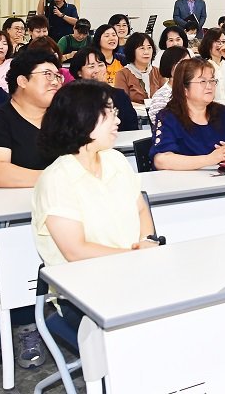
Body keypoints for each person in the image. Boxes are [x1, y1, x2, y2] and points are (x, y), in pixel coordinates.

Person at [32, 80, 160, 335]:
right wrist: (134, 257)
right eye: (108, 113)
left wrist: (147, 241)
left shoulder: (115, 160)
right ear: (82, 119)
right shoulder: (57, 178)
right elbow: (76, 251)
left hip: (131, 274)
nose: (117, 121)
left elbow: (141, 209)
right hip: (82, 291)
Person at [0, 49, 63, 369]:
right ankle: (26, 324)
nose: (56, 80)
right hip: (10, 221)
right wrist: (57, 178)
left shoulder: (62, 120)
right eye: (47, 75)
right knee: (22, 256)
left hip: (61, 209)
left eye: (57, 74)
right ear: (22, 81)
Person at [151, 57, 225, 170]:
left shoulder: (224, 113)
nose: (209, 86)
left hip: (223, 182)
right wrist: (210, 159)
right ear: (184, 89)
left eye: (212, 80)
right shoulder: (168, 117)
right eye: (202, 81)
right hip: (185, 184)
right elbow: (161, 160)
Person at [70, 47, 139, 131]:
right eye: (91, 66)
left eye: (101, 65)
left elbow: (132, 127)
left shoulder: (119, 95)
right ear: (79, 72)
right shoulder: (71, 98)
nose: (97, 70)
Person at [146, 46, 190, 126]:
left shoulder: (196, 89)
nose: (187, 67)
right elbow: (162, 127)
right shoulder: (161, 97)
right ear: (169, 65)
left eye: (189, 63)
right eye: (181, 63)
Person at [114, 32, 163, 104]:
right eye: (142, 48)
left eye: (149, 48)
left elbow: (165, 98)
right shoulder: (122, 74)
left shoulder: (158, 72)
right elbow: (122, 102)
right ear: (132, 51)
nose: (146, 52)